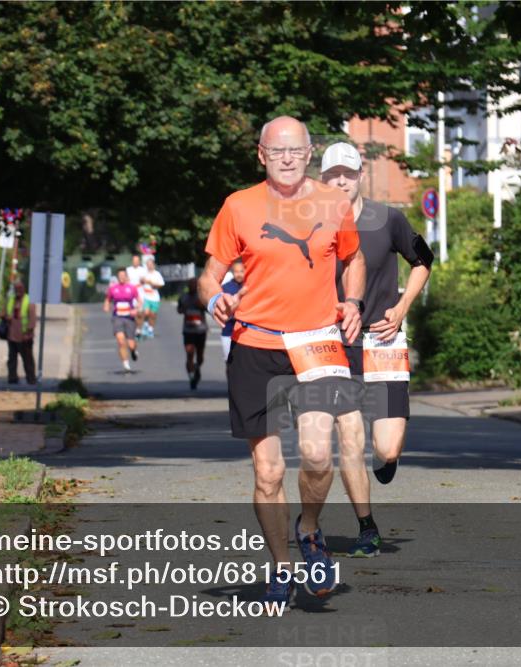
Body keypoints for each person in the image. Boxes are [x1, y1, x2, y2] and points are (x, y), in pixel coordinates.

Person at [198, 116, 365, 605]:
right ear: (261, 155)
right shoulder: (238, 206)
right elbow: (211, 275)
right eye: (278, 152)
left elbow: (353, 258)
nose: (287, 159)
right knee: (268, 473)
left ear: (309, 153)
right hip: (256, 343)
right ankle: (282, 567)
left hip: (317, 340)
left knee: (317, 455)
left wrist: (352, 303)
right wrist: (215, 301)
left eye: (296, 151)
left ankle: (309, 530)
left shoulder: (334, 204)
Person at [320, 142, 433, 557]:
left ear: (360, 174)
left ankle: (385, 463)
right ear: (323, 178)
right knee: (348, 438)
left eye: (348, 173)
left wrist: (402, 306)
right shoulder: (311, 223)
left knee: (386, 448)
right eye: (333, 174)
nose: (341, 181)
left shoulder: (388, 219)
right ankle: (366, 526)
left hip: (383, 338)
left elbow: (424, 259)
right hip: (334, 342)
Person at [104, 268, 141, 371]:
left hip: (129, 317)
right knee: (121, 341)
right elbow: (107, 299)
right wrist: (106, 306)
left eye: (123, 276)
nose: (121, 278)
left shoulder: (132, 288)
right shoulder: (113, 288)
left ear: (126, 276)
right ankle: (125, 363)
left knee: (131, 344)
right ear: (117, 277)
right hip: (117, 317)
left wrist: (136, 309)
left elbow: (139, 301)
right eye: (119, 276)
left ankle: (133, 351)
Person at [4, 280, 37, 384]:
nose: (18, 291)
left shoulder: (29, 300)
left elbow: (32, 319)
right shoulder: (11, 300)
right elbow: (4, 312)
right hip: (12, 334)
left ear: (23, 289)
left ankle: (31, 378)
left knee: (27, 359)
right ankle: (12, 377)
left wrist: (28, 332)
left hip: (24, 336)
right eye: (16, 288)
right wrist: (6, 317)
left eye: (19, 288)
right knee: (12, 358)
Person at [178, 278, 208, 389]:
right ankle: (191, 376)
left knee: (200, 355)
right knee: (189, 353)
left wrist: (200, 305)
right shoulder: (183, 297)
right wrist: (183, 308)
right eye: (190, 285)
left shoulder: (201, 297)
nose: (192, 287)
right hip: (188, 330)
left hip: (200, 330)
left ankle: (197, 367)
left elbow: (208, 309)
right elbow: (179, 309)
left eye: (194, 285)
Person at [220, 259, 245, 361]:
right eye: (236, 271)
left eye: (241, 271)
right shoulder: (225, 288)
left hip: (245, 332)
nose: (239, 274)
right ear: (232, 272)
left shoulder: (251, 286)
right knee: (229, 361)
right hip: (228, 331)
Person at [140, 258, 166, 338]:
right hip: (146, 296)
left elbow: (162, 284)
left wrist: (153, 284)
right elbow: (140, 281)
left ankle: (150, 330)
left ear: (153, 265)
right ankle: (145, 325)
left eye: (151, 264)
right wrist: (142, 280)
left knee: (153, 315)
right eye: (148, 264)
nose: (149, 266)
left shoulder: (157, 274)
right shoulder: (144, 273)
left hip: (154, 298)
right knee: (146, 313)